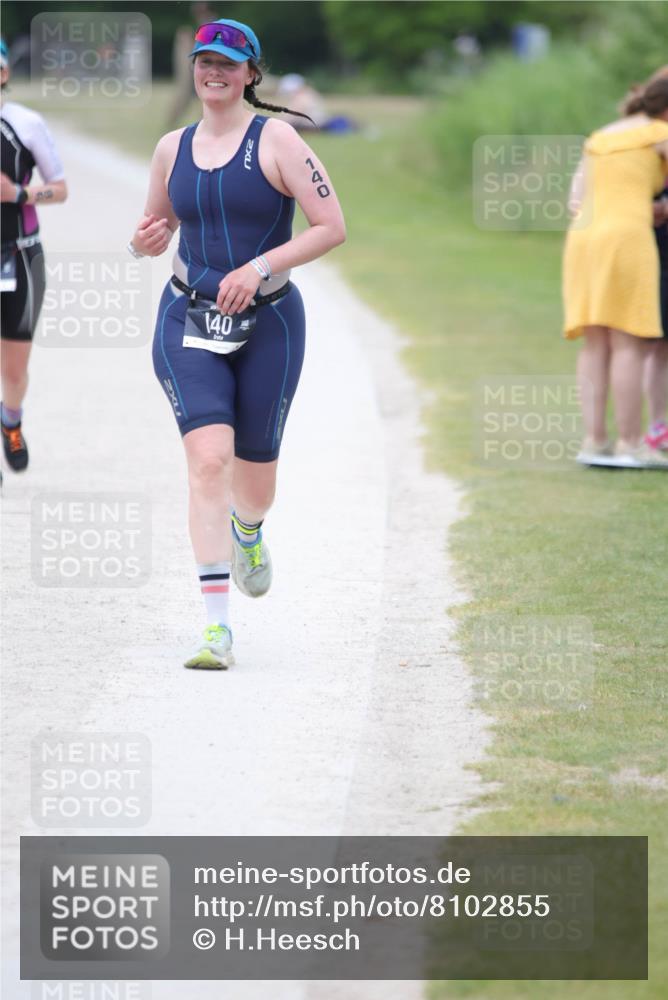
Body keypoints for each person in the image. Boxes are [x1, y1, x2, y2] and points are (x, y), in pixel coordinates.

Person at [128, 18, 345, 669]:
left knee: (253, 485)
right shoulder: (172, 146)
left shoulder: (277, 139)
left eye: (228, 62)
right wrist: (143, 241)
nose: (213, 71)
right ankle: (216, 628)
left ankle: (248, 532)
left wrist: (261, 268)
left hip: (269, 324)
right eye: (204, 61)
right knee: (209, 463)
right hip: (187, 319)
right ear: (193, 69)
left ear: (252, 73)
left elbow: (331, 226)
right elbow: (157, 223)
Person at [562, 75, 668, 468]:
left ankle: (594, 440)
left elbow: (576, 199)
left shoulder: (601, 137)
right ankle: (630, 444)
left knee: (595, 342)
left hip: (583, 239)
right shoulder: (660, 133)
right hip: (627, 237)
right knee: (628, 342)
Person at [1, 37, 67, 472]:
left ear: (4, 73)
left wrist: (18, 192)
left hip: (19, 257)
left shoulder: (24, 123)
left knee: (14, 371)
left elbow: (60, 189)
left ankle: (10, 419)